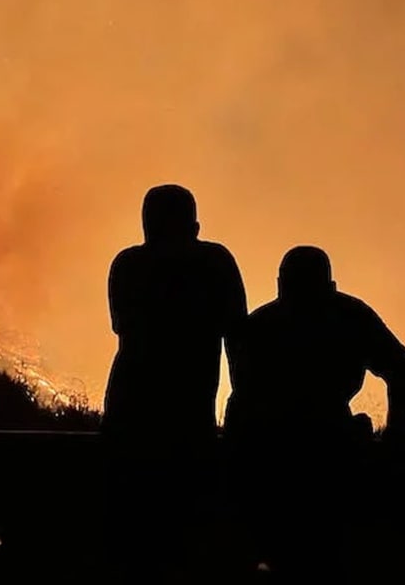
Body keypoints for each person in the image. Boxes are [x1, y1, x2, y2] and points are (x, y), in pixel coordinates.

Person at [224, 245, 405, 579]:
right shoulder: (347, 316)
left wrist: (396, 431)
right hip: (292, 452)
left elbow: (403, 373)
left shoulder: (266, 323)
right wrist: (395, 432)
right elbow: (402, 372)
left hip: (292, 451)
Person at [100, 183, 247, 582]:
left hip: (132, 413)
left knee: (134, 538)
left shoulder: (128, 265)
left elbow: (124, 326)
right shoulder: (214, 264)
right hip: (186, 417)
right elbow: (238, 339)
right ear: (195, 226)